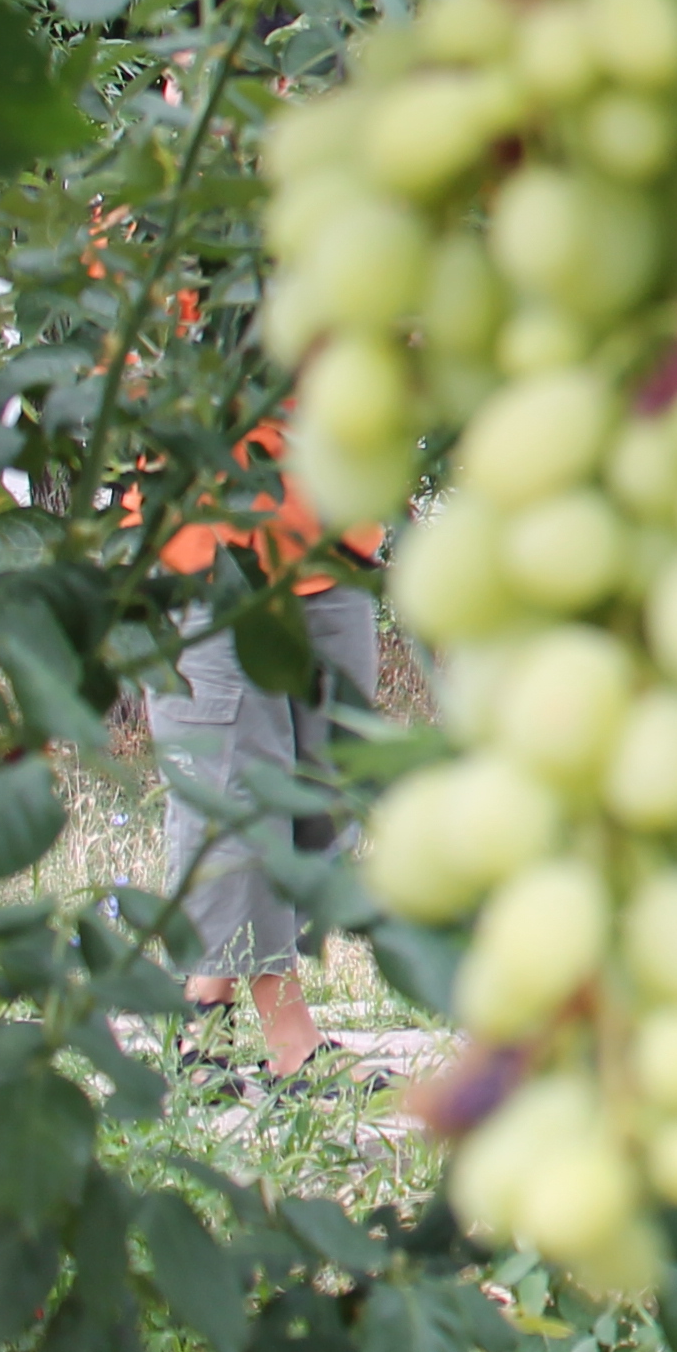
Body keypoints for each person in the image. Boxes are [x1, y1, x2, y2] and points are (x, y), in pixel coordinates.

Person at [144, 421, 388, 1080]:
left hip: (334, 547)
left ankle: (204, 1020)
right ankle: (292, 1044)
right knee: (239, 801)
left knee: (326, 793)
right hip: (211, 557)